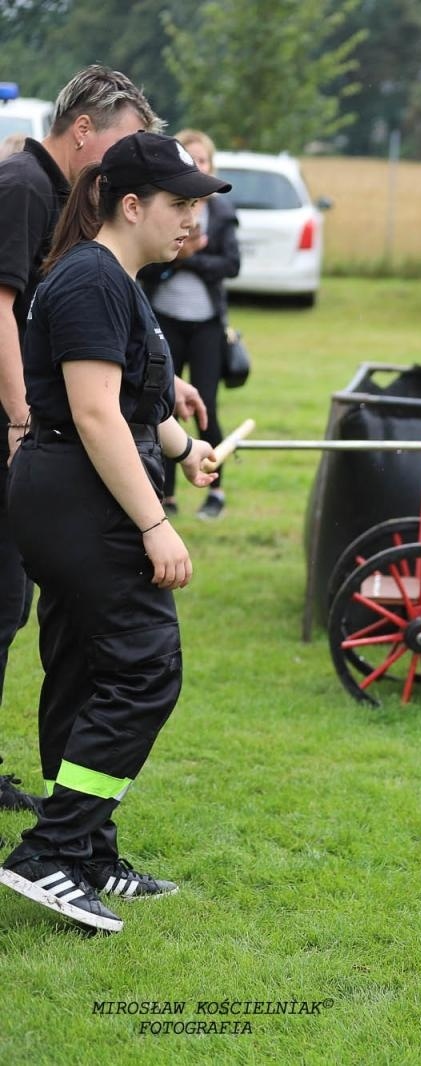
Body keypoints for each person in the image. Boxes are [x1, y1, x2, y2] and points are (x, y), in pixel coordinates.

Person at [0, 131, 224, 934]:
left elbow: (131, 404)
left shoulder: (113, 279)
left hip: (64, 495)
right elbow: (91, 413)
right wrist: (156, 524)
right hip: (78, 499)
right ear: (131, 206)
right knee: (143, 672)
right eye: (180, 205)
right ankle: (52, 850)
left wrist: (188, 450)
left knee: (85, 671)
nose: (192, 221)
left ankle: (88, 852)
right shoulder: (94, 278)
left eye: (198, 206)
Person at [0, 65, 167, 817]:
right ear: (83, 133)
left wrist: (164, 412)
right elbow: (1, 311)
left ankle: (80, 844)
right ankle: (64, 842)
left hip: (44, 455)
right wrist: (21, 422)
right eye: (126, 146)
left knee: (50, 639)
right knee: (19, 616)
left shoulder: (76, 241)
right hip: (40, 451)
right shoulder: (28, 188)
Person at [138, 129, 238, 521]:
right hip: (166, 322)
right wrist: (179, 258)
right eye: (191, 160)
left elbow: (231, 265)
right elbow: (150, 269)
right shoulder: (163, 208)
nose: (199, 167)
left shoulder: (223, 213)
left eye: (204, 161)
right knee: (163, 404)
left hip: (207, 324)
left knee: (205, 405)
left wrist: (190, 258)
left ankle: (216, 490)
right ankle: (166, 494)